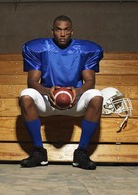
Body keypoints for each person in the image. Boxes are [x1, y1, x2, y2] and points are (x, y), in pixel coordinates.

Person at [19, 15, 104, 170]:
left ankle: (81, 152)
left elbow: (90, 81)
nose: (62, 34)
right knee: (25, 96)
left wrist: (78, 92)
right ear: (53, 31)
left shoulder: (85, 50)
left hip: (74, 102)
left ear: (72, 32)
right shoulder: (39, 48)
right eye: (59, 30)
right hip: (48, 100)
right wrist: (47, 91)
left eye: (66, 30)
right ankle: (38, 151)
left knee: (97, 97)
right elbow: (32, 82)